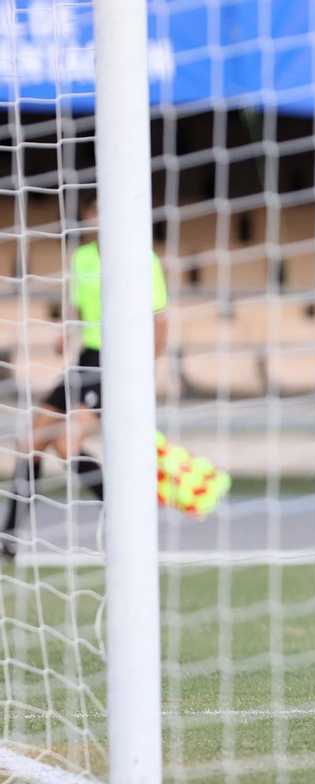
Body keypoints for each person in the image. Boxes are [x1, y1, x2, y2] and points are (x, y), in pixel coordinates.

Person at [2, 195, 169, 557]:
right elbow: (79, 306)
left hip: (120, 363)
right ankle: (8, 539)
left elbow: (160, 319)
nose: (97, 218)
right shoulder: (82, 258)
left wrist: (147, 369)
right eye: (93, 212)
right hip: (87, 359)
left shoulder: (143, 258)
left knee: (67, 443)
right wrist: (66, 332)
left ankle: (123, 517)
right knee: (31, 441)